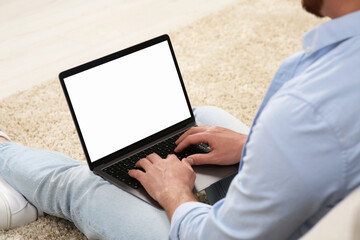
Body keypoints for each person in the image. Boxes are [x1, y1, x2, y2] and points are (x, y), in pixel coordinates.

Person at [1, 0, 360, 238]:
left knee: (85, 185)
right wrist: (255, 145)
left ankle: (4, 153)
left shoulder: (305, 110)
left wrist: (176, 195)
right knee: (200, 122)